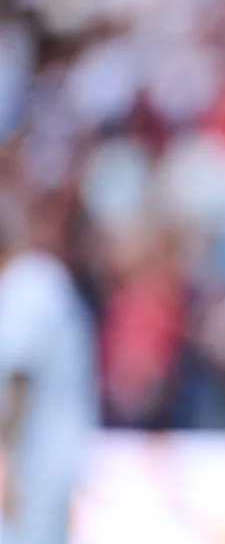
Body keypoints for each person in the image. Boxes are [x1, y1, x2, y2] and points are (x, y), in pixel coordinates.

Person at [0, 190, 98, 544]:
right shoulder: (46, 278)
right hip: (63, 452)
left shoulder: (25, 283)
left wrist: (4, 458)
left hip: (34, 461)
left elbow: (19, 379)